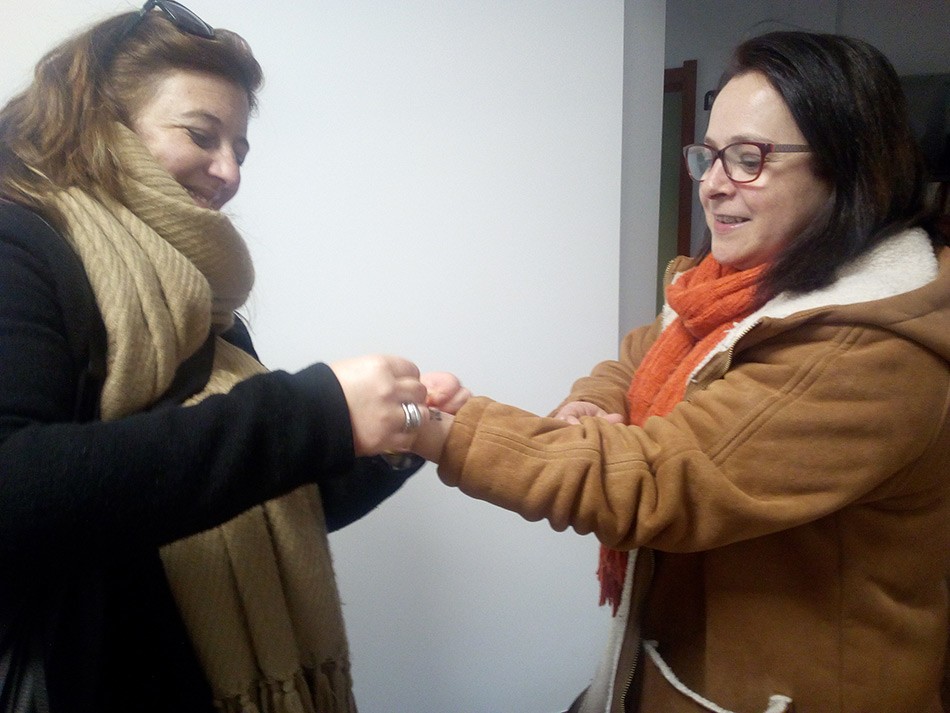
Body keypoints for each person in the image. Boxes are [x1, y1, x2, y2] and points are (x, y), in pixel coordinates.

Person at [410, 31, 950, 713]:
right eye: (709, 155)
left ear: (848, 168)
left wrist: (440, 429)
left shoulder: (868, 354)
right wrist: (593, 400)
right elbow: (644, 352)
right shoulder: (732, 284)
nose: (713, 184)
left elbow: (656, 480)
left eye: (749, 159)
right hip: (685, 664)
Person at [0, 2, 462, 712]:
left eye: (240, 150)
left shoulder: (202, 305)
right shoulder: (18, 248)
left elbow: (257, 500)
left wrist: (396, 438)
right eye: (201, 135)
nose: (229, 171)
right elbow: (16, 490)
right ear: (101, 124)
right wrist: (313, 413)